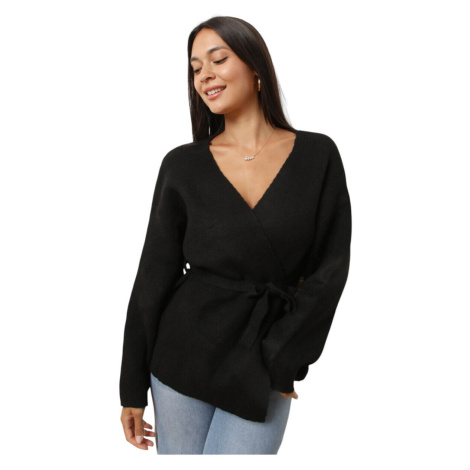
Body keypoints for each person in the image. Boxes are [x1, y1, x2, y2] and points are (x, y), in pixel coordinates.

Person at [119, 15, 352, 455]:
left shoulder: (317, 155)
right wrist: (131, 387)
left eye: (218, 59)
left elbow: (329, 271)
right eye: (195, 68)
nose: (204, 75)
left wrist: (283, 357)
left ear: (255, 66)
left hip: (263, 357)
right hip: (182, 352)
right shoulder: (182, 165)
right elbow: (153, 277)